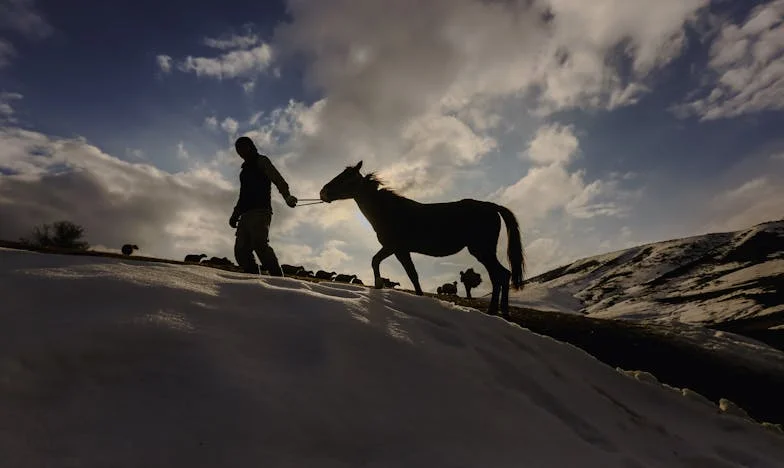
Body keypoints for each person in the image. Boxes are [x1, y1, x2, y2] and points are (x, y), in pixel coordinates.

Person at [229, 136, 297, 276]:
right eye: (238, 149)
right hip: (245, 214)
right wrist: (235, 214)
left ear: (251, 146)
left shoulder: (261, 161)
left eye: (243, 147)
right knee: (241, 250)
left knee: (259, 244)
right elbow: (243, 195)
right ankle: (253, 279)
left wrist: (287, 196)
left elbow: (278, 179)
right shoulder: (244, 171)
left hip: (260, 211)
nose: (240, 151)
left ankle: (277, 277)